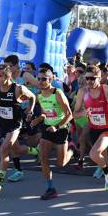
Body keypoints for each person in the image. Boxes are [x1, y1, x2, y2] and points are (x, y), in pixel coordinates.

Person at [73, 65, 108, 199]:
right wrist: (84, 112)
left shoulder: (106, 89)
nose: (89, 81)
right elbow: (75, 113)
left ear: (99, 78)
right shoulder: (82, 92)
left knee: (94, 154)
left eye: (92, 78)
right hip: (94, 129)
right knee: (104, 160)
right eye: (87, 78)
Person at [0, 64, 39, 195]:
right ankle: (35, 151)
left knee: (4, 149)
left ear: (8, 76)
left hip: (16, 124)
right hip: (3, 124)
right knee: (17, 149)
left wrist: (30, 109)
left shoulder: (18, 88)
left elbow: (33, 96)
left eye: (0, 76)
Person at [32, 68, 74, 200]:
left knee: (60, 164)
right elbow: (46, 113)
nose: (41, 81)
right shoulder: (39, 95)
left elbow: (69, 115)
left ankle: (72, 150)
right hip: (47, 128)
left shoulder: (58, 93)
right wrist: (38, 119)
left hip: (60, 128)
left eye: (44, 79)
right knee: (43, 157)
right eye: (39, 79)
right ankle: (50, 188)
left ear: (50, 80)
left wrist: (56, 126)